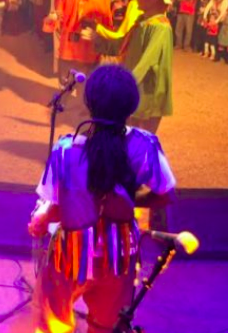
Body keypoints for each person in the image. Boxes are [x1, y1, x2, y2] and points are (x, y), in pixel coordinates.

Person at [29, 64, 176, 333]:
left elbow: (57, 210)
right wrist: (129, 199)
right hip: (119, 258)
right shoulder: (145, 144)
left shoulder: (66, 149)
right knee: (106, 327)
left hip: (69, 256)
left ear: (88, 103)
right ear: (132, 107)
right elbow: (165, 194)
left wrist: (39, 222)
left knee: (54, 324)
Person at [122, 0, 175, 134]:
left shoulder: (160, 27)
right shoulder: (144, 21)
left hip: (148, 90)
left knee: (141, 136)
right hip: (138, 87)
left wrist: (125, 82)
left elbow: (148, 60)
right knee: (131, 130)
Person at [55, 0, 113, 81]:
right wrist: (54, 17)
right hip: (69, 46)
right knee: (65, 81)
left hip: (89, 47)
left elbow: (107, 23)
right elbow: (58, 15)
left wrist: (99, 37)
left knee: (86, 83)